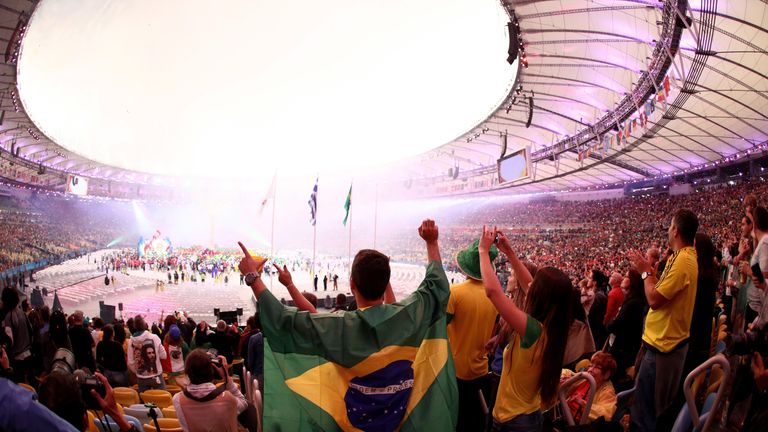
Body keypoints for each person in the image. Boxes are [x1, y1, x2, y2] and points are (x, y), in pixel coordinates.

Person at [238, 219, 459, 431]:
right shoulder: (408, 317)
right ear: (385, 284)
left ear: (352, 283)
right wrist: (431, 242)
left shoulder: (338, 327)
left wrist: (252, 277)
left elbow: (282, 319)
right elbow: (436, 286)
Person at [479, 226, 573, 431]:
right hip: (526, 416)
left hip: (513, 421)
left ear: (541, 295)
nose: (529, 284)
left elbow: (493, 292)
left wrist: (483, 252)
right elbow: (528, 283)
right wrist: (510, 253)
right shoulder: (552, 327)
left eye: (536, 284)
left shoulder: (533, 330)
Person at [628, 209, 699, 432]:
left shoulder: (684, 261)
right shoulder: (680, 257)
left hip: (664, 348)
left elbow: (654, 299)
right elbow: (663, 291)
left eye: (670, 226)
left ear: (676, 230)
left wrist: (644, 273)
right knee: (644, 408)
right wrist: (652, 274)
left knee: (645, 415)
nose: (668, 230)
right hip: (659, 343)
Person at [447, 239, 500, 431]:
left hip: (455, 370)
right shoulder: (495, 297)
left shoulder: (455, 292)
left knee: (456, 421)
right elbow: (494, 331)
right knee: (474, 421)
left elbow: (438, 328)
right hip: (481, 369)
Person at [172, 349, 253, 432]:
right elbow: (244, 402)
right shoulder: (227, 399)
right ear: (211, 371)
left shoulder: (177, 400)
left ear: (188, 372)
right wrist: (226, 377)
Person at [606, 270, 647, 382]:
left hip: (623, 348)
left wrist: (609, 326)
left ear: (632, 281)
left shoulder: (633, 303)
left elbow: (619, 324)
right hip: (625, 346)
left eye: (626, 276)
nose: (624, 278)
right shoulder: (634, 300)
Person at [560, 352, 618, 424]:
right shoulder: (584, 378)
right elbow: (568, 372)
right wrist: (562, 377)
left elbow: (607, 414)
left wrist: (583, 404)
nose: (590, 370)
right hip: (564, 418)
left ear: (607, 374)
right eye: (591, 365)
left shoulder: (607, 391)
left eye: (597, 367)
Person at [1, 287, 34, 385]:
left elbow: (10, 341)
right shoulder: (22, 313)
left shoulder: (9, 317)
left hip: (18, 359)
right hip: (28, 354)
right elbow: (30, 331)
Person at [127, 315, 167, 392]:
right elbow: (163, 355)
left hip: (141, 378)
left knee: (145, 401)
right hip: (156, 376)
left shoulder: (131, 341)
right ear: (145, 325)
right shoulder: (154, 337)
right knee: (162, 399)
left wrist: (137, 372)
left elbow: (130, 362)